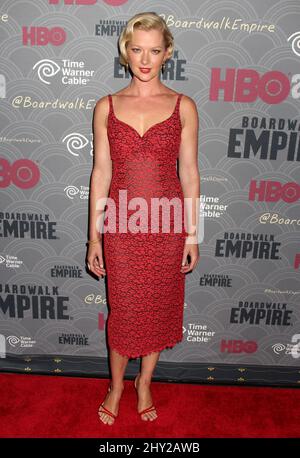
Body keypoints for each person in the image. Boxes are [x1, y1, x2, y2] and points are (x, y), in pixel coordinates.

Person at [86, 11, 200, 425]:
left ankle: (145, 382)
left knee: (158, 307)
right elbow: (101, 173)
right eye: (137, 49)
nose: (145, 58)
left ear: (167, 52)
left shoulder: (184, 106)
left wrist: (192, 234)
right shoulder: (107, 106)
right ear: (125, 52)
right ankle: (116, 385)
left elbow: (189, 173)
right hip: (121, 226)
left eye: (154, 50)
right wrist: (94, 238)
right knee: (125, 311)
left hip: (167, 225)